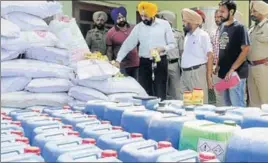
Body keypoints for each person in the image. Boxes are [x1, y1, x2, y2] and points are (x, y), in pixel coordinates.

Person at [113, 1, 176, 100]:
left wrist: (162, 48)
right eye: (141, 16)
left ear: (153, 14)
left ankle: (161, 112)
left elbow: (172, 44)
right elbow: (128, 44)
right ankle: (147, 113)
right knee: (145, 91)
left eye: (146, 16)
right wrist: (118, 60)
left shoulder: (164, 25)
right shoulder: (139, 27)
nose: (143, 18)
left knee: (160, 90)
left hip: (160, 61)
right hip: (144, 63)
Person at [218, 0, 250, 107]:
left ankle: (241, 124)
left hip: (236, 74)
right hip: (224, 74)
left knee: (237, 105)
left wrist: (232, 69)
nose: (219, 14)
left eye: (222, 11)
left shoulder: (240, 28)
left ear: (231, 12)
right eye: (219, 11)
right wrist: (218, 64)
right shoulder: (222, 26)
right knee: (226, 106)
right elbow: (223, 47)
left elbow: (245, 49)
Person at [179, 8, 214, 104]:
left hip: (197, 74)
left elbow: (210, 55)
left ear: (192, 22)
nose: (183, 24)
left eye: (184, 21)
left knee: (199, 104)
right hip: (185, 75)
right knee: (186, 104)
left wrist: (209, 76)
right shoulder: (187, 36)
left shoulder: (203, 35)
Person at [106, 6, 140, 80]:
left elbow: (140, 44)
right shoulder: (110, 33)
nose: (121, 19)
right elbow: (109, 50)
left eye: (123, 17)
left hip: (136, 64)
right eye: (118, 18)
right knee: (124, 86)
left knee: (136, 86)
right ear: (115, 19)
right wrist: (110, 64)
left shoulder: (133, 28)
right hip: (121, 65)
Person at [158, 10, 184, 100]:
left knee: (176, 90)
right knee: (161, 89)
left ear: (169, 21)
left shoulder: (178, 34)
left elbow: (182, 52)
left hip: (174, 64)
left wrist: (182, 67)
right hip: (161, 63)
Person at [247, 1, 268, 108]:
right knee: (253, 102)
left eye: (255, 11)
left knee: (265, 100)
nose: (252, 13)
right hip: (251, 67)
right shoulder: (252, 28)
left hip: (263, 68)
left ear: (262, 11)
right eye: (252, 11)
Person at [210, 9, 225, 106]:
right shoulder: (215, 32)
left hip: (226, 69)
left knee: (228, 95)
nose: (217, 19)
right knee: (219, 95)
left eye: (219, 17)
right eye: (215, 17)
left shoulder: (229, 30)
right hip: (216, 69)